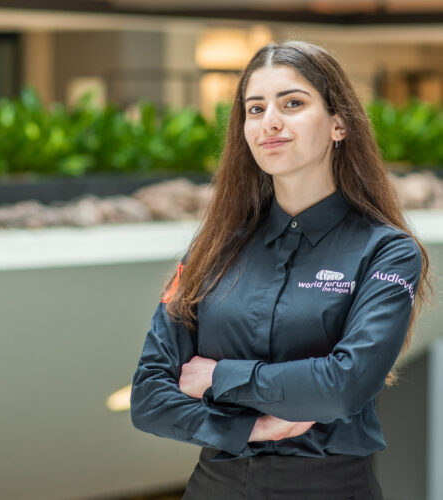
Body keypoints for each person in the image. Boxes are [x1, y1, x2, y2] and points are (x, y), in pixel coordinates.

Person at [130, 40, 432, 499]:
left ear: (339, 124)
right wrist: (253, 428)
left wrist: (218, 377)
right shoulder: (212, 250)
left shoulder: (387, 252)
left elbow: (343, 387)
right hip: (216, 486)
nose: (270, 121)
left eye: (292, 103)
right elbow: (150, 397)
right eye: (255, 108)